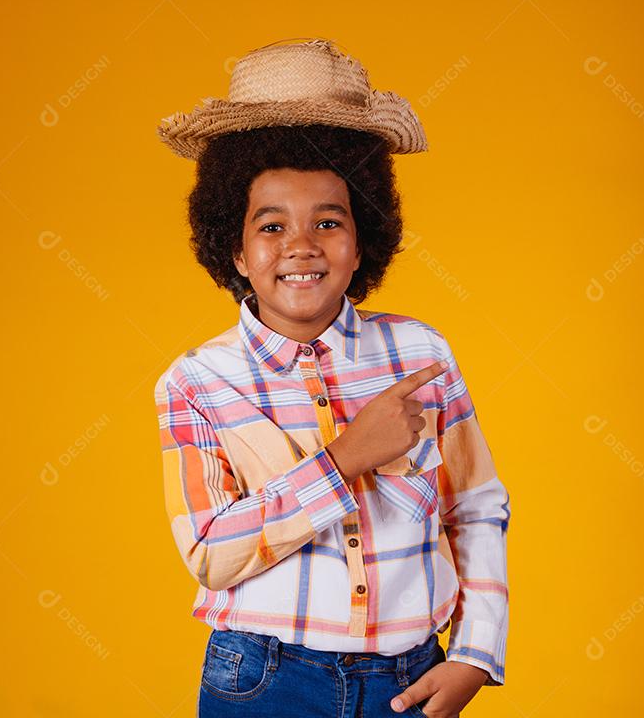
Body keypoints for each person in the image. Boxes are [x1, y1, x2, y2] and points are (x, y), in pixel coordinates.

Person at [153, 38, 510, 718]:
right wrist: (346, 458)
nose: (301, 245)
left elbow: (476, 504)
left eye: (328, 220)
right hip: (263, 681)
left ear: (362, 238)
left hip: (411, 679)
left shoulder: (420, 353)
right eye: (270, 225)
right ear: (234, 244)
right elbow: (209, 551)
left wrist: (474, 651)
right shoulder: (196, 382)